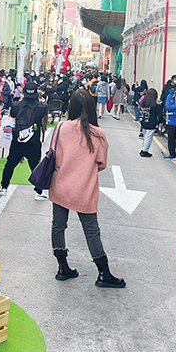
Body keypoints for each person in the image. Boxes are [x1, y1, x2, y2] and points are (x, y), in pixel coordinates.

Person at [46, 89, 124, 288]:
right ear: (91, 108)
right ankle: (103, 272)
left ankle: (63, 267)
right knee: (91, 231)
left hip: (60, 185)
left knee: (58, 225)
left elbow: (53, 154)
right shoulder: (98, 134)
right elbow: (101, 163)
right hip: (84, 189)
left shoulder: (62, 128)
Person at [0, 81, 47, 200]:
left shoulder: (16, 106)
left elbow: (13, 115)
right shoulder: (41, 107)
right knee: (35, 167)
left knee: (10, 164)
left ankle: (4, 187)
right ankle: (39, 191)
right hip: (33, 142)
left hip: (17, 141)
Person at [138, 88, 163, 158]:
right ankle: (144, 151)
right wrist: (160, 105)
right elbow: (158, 113)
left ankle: (143, 149)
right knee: (148, 137)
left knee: (146, 137)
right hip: (151, 123)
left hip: (143, 122)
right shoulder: (154, 105)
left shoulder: (144, 103)